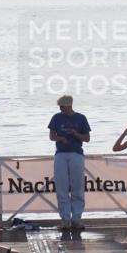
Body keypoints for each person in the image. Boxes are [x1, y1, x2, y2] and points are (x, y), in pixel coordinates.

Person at [48, 95, 90, 231]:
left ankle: (76, 219)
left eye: (62, 106)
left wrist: (76, 134)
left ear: (69, 105)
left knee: (77, 187)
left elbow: (87, 138)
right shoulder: (56, 117)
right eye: (60, 106)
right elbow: (51, 136)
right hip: (60, 153)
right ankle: (65, 220)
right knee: (62, 188)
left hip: (76, 153)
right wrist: (60, 138)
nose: (60, 109)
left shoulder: (81, 118)